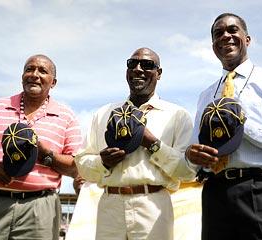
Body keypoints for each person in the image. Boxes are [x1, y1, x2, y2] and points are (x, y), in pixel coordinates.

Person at [186, 13, 262, 240]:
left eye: (232, 30)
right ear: (213, 45)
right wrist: (192, 157)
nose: (225, 36)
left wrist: (244, 126)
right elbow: (196, 148)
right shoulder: (206, 95)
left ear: (247, 39)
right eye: (218, 33)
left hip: (261, 192)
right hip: (215, 196)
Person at [75, 47, 196, 240]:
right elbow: (81, 165)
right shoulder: (104, 114)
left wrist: (153, 144)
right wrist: (102, 162)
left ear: (159, 73)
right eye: (132, 64)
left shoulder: (177, 116)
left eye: (147, 65)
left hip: (153, 205)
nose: (138, 69)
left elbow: (187, 171)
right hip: (109, 206)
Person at [0, 54, 83, 240]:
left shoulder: (66, 116)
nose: (34, 74)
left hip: (40, 209)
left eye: (42, 71)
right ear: (22, 76)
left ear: (53, 82)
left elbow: (76, 166)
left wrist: (45, 153)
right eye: (29, 69)